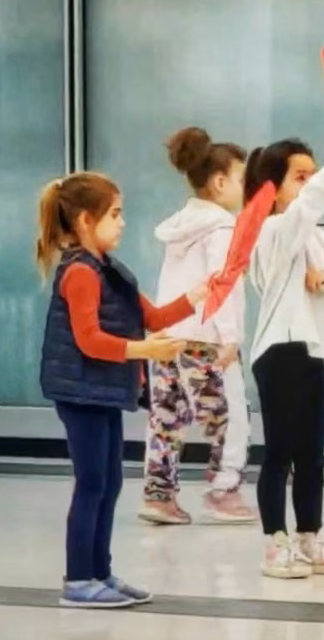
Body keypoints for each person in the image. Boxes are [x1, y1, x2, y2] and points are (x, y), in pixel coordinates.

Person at [36, 172, 208, 608]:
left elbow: (153, 316)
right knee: (92, 483)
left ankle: (99, 572)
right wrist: (146, 350)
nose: (123, 222)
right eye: (115, 214)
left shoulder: (108, 270)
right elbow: (88, 339)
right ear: (85, 220)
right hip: (81, 393)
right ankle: (78, 580)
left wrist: (201, 293)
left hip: (103, 390)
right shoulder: (80, 273)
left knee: (109, 482)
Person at [245, 134, 324, 578]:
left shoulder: (315, 236)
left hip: (312, 350)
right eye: (300, 177)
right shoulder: (273, 231)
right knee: (280, 451)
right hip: (280, 350)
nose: (309, 184)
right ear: (272, 187)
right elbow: (303, 211)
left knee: (312, 452)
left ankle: (309, 537)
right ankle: (275, 542)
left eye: (313, 175)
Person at [139, 127, 254, 526]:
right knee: (231, 416)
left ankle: (159, 495)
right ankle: (224, 491)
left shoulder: (180, 224)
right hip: (206, 340)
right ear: (220, 182)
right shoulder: (223, 227)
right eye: (242, 179)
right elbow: (218, 283)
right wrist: (229, 338)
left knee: (166, 418)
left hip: (168, 337)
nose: (247, 188)